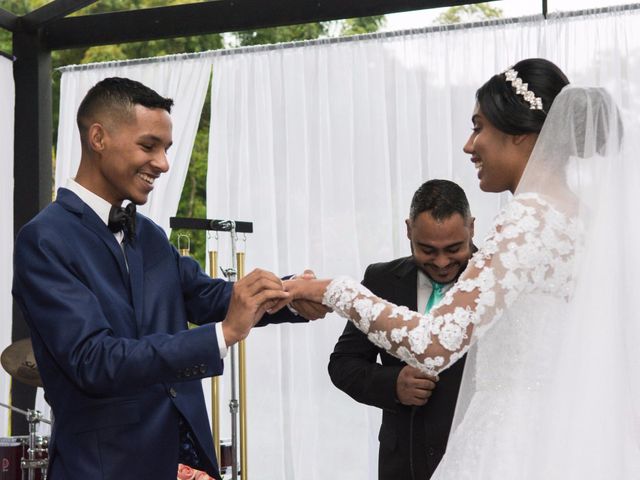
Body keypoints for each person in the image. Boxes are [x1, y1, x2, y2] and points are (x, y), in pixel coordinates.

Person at [284, 58, 640, 478]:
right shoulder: (585, 221)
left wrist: (333, 290)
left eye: (479, 127)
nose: (469, 146)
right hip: (560, 434)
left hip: (511, 440)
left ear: (520, 135)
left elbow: (435, 343)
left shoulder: (530, 218)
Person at [12, 77, 325, 480]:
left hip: (180, 462)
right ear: (98, 138)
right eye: (149, 146)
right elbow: (95, 361)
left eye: (166, 149)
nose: (162, 163)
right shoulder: (44, 239)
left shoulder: (152, 235)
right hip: (101, 469)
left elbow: (211, 296)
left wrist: (292, 293)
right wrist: (222, 334)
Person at [328, 179, 475, 480]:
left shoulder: (496, 281)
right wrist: (393, 383)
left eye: (453, 248)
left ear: (471, 228)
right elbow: (343, 364)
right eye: (428, 250)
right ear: (408, 230)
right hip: (403, 464)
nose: (443, 262)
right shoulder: (381, 279)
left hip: (476, 455)